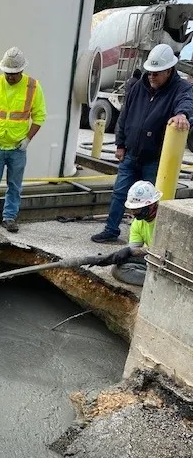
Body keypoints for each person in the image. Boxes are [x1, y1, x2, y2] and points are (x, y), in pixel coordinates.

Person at [91, 44, 193, 243]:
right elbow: (125, 116)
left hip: (155, 158)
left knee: (152, 203)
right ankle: (111, 230)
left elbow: (187, 102)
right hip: (132, 153)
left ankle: (153, 240)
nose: (152, 77)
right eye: (150, 72)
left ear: (169, 70)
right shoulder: (139, 87)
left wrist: (182, 114)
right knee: (120, 193)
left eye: (157, 73)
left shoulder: (181, 89)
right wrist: (120, 144)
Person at [0, 47, 47, 234]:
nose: (10, 77)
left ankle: (9, 218)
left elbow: (39, 116)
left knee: (14, 185)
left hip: (18, 148)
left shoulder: (33, 87)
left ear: (21, 70)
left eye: (14, 73)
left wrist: (28, 139)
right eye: (7, 73)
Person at [97, 181, 162, 286]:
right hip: (152, 260)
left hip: (169, 264)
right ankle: (156, 281)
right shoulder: (137, 223)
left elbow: (163, 253)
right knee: (118, 270)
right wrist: (121, 254)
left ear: (151, 205)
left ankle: (160, 283)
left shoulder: (166, 221)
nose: (133, 213)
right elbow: (134, 249)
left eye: (137, 209)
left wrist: (131, 252)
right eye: (132, 209)